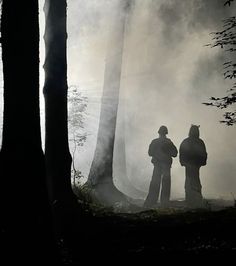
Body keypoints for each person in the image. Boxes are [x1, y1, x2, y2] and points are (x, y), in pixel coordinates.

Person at [144, 126, 178, 208]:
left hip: (157, 165)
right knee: (166, 183)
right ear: (166, 133)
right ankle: (164, 202)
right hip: (166, 165)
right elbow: (175, 153)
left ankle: (151, 201)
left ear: (159, 132)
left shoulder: (155, 142)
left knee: (155, 183)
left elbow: (150, 153)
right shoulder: (169, 142)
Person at [179, 125, 207, 207]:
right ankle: (197, 199)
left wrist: (183, 162)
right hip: (196, 165)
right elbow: (204, 154)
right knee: (196, 180)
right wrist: (202, 162)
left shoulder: (186, 141)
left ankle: (189, 199)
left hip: (189, 165)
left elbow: (182, 153)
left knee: (188, 181)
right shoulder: (200, 142)